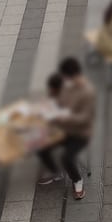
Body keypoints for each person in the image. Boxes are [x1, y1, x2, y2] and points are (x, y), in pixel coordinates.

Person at [38, 57, 96, 200]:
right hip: (63, 129)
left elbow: (86, 118)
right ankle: (55, 171)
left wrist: (66, 117)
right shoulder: (67, 86)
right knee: (40, 145)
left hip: (80, 133)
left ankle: (77, 180)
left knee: (67, 157)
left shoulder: (88, 92)